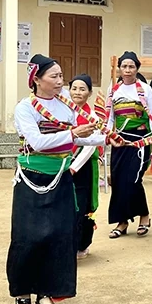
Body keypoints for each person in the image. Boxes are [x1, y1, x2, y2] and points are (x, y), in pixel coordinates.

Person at [7, 54, 107, 304]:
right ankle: (22, 290)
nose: (60, 81)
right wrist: (74, 134)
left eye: (61, 76)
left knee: (59, 237)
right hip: (32, 177)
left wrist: (103, 139)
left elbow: (77, 140)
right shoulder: (25, 108)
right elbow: (39, 142)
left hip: (61, 177)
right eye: (54, 76)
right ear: (36, 79)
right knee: (28, 237)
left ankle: (47, 294)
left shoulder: (65, 106)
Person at [98, 51, 152, 239]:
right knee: (118, 180)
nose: (127, 70)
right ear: (119, 68)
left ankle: (144, 215)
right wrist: (109, 135)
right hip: (119, 141)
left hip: (140, 140)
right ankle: (122, 222)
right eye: (124, 66)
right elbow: (109, 116)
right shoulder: (114, 90)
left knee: (134, 179)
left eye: (131, 66)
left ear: (137, 69)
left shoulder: (144, 89)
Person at [68, 74, 103, 260]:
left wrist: (74, 167)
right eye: (74, 88)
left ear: (89, 93)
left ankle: (81, 244)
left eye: (82, 89)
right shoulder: (64, 112)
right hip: (62, 165)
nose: (77, 92)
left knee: (81, 207)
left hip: (82, 168)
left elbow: (90, 146)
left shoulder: (93, 117)